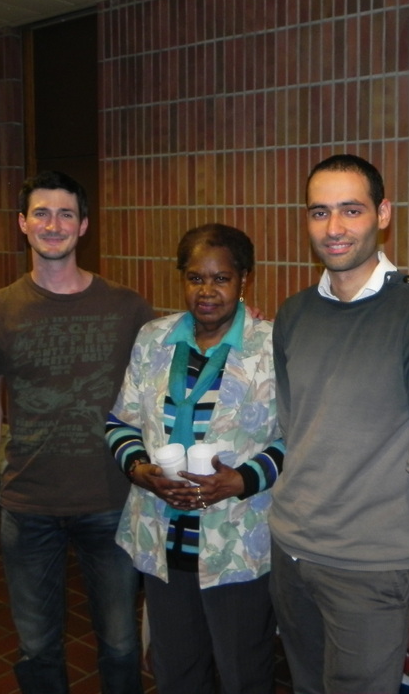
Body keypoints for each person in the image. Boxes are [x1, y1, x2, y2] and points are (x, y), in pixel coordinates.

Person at [269, 153, 409, 694]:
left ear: (383, 214)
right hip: (290, 551)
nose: (333, 228)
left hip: (370, 570)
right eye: (319, 212)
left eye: (351, 210)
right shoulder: (293, 314)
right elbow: (294, 429)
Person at [0, 170, 154, 694]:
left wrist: (240, 322)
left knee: (120, 644)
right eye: (41, 213)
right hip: (28, 503)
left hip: (110, 500)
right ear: (22, 224)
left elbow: (176, 353)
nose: (53, 224)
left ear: (83, 225)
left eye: (66, 214)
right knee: (37, 647)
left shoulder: (127, 307)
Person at [106, 224, 282, 694]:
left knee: (244, 672)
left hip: (237, 540)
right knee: (177, 671)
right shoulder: (153, 339)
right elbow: (120, 421)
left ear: (244, 279)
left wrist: (241, 480)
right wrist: (138, 469)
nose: (207, 291)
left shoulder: (272, 346)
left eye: (221, 278)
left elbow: (297, 438)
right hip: (163, 535)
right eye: (195, 278)